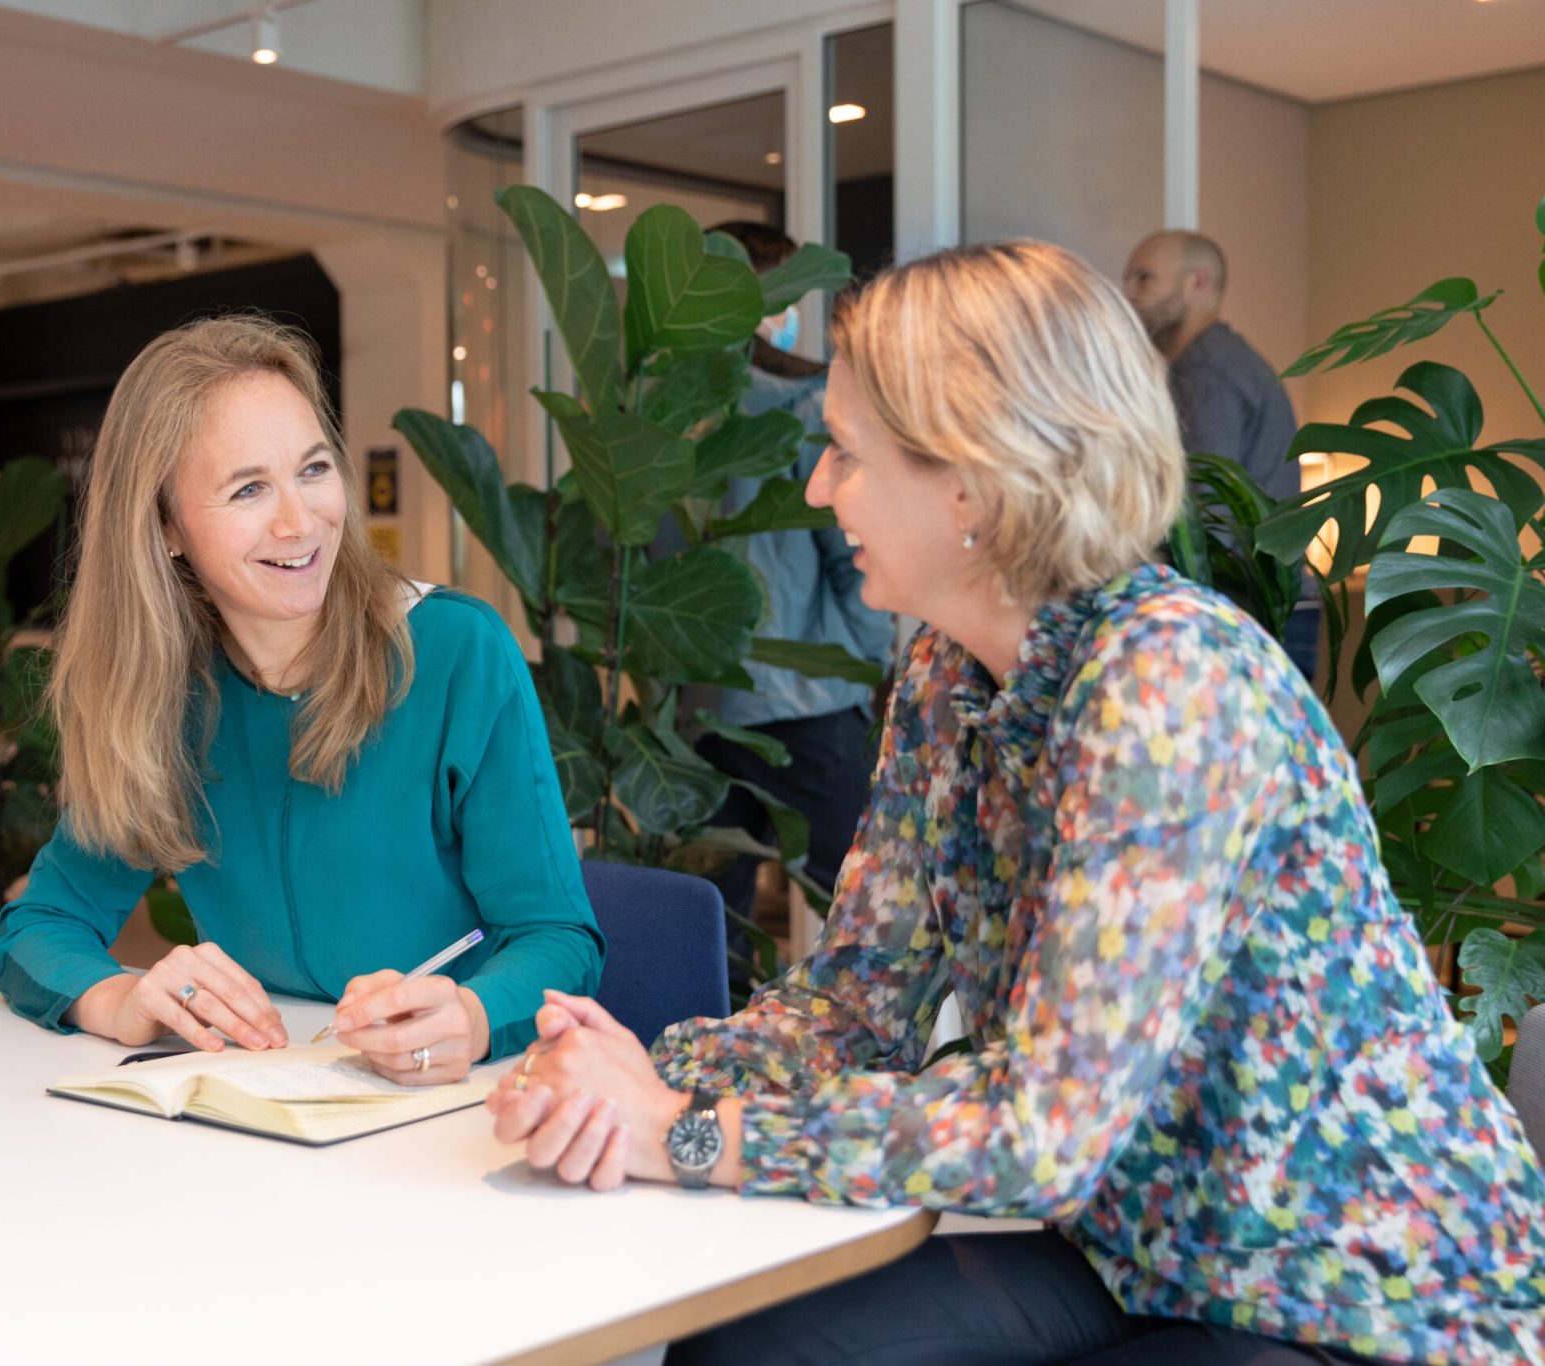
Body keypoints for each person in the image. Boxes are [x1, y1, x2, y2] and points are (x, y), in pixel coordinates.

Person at [484, 241, 1545, 1364]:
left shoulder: (1171, 683)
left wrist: (686, 1136)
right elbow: (858, 1001)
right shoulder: (946, 675)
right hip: (1136, 1243)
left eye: (842, 453)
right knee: (751, 1351)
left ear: (971, 481)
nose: (813, 487)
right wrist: (633, 1077)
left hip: (1354, 1288)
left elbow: (1040, 1132)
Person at [0, 315, 602, 1083]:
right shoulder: (164, 691)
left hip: (454, 1108)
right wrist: (119, 999)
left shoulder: (457, 654)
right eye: (249, 488)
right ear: (165, 528)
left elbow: (559, 940)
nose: (300, 519)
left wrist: (473, 1019)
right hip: (266, 1101)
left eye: (313, 470)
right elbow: (40, 926)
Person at [695, 221, 895, 918]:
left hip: (694, 713)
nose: (787, 322)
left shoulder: (651, 412)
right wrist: (865, 663)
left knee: (712, 923)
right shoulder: (800, 402)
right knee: (871, 911)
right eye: (780, 300)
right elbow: (850, 552)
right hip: (805, 701)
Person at [1124, 230, 1318, 680]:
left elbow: (1202, 520)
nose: (1128, 294)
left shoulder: (1207, 373)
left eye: (1144, 279)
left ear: (1198, 283)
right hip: (1266, 606)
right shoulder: (1215, 362)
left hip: (1250, 612)